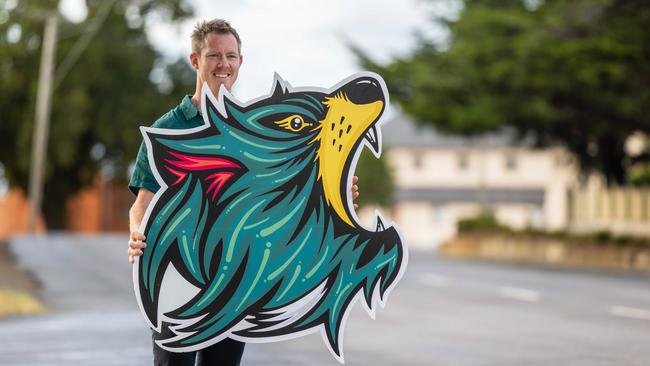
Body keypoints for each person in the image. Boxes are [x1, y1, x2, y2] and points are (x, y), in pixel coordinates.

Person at [127, 19, 359, 366]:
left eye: (231, 56)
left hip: (236, 282)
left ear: (240, 61)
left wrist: (336, 192)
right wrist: (136, 231)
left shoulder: (254, 127)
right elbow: (141, 205)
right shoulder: (167, 129)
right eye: (213, 55)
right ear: (195, 60)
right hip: (177, 284)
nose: (223, 64)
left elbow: (282, 199)